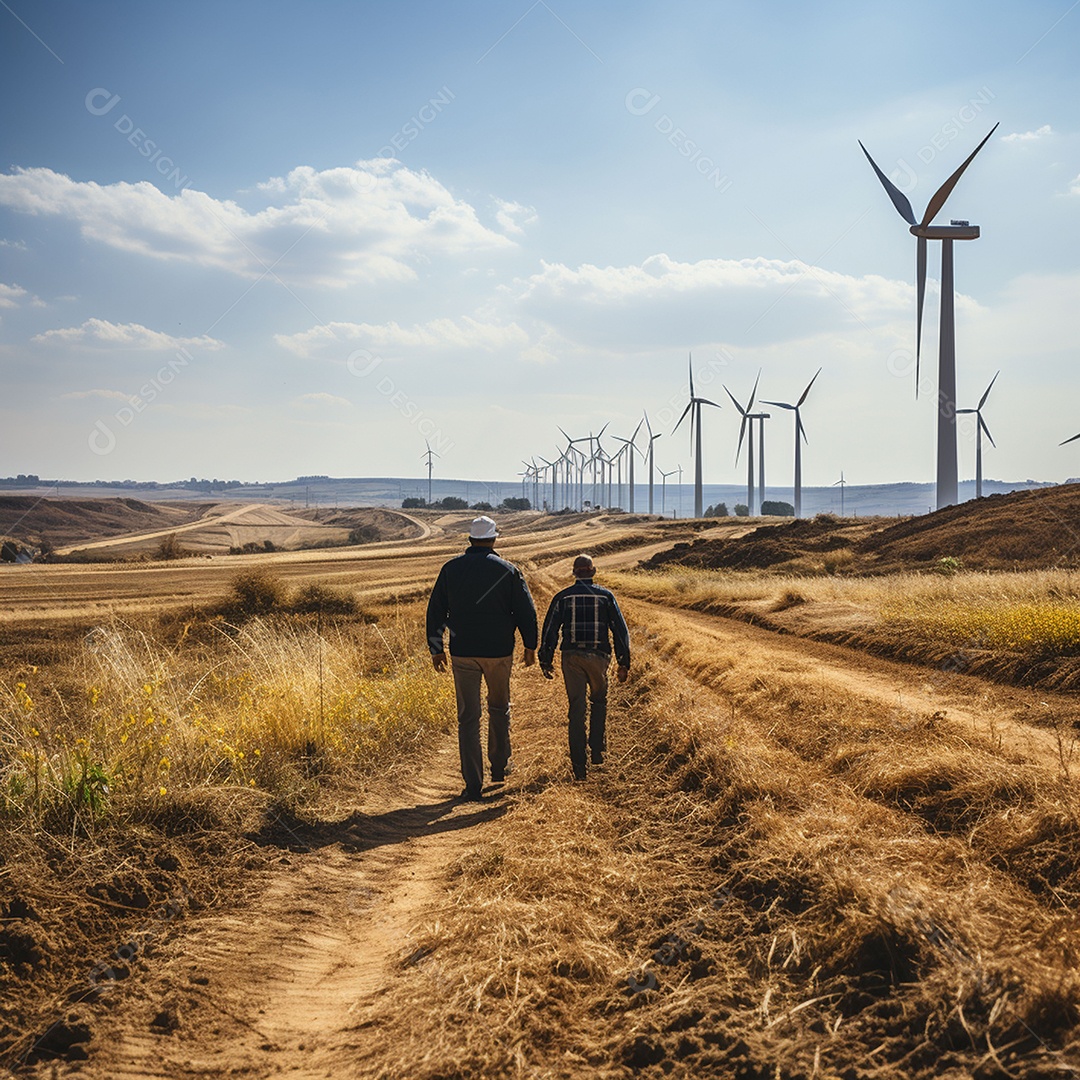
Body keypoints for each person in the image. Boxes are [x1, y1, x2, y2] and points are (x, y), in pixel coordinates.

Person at [426, 515, 538, 801]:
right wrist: (530, 645)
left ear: (470, 539)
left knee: (468, 718)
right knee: (499, 708)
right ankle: (499, 767)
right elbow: (525, 611)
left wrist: (436, 648)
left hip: (463, 651)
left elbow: (436, 610)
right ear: (494, 538)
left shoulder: (450, 569)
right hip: (499, 652)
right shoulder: (508, 570)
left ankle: (472, 783)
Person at [538, 554, 630, 781]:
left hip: (572, 657)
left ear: (574, 573)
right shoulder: (606, 597)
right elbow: (620, 630)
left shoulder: (563, 597)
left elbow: (550, 629)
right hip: (599, 656)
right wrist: (623, 661)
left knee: (576, 708)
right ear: (593, 571)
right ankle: (597, 750)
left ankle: (579, 765)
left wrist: (545, 658)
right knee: (599, 701)